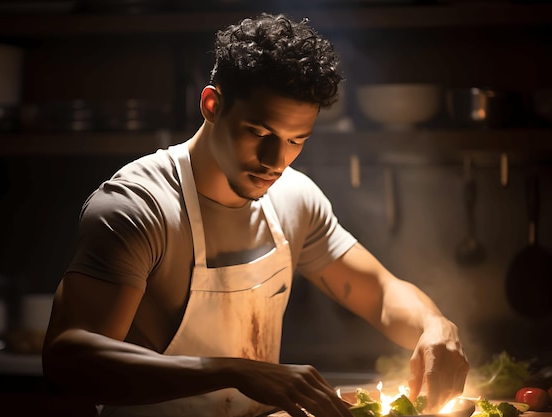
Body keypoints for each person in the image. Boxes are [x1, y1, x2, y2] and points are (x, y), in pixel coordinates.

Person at [42, 12, 469, 417]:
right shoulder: (139, 207)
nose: (275, 160)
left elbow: (379, 292)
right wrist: (235, 370)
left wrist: (434, 326)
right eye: (260, 133)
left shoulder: (294, 199)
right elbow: (69, 360)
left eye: (296, 140)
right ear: (212, 104)